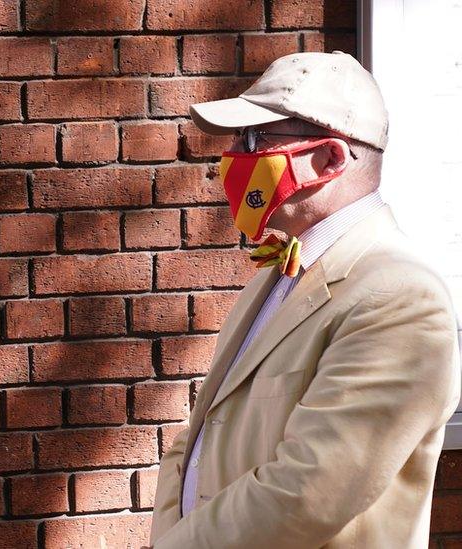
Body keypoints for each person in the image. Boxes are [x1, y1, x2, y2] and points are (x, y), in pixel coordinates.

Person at [147, 51, 460, 548]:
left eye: (254, 139)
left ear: (331, 158)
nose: (232, 157)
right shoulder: (275, 275)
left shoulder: (400, 297)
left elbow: (308, 491)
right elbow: (198, 438)